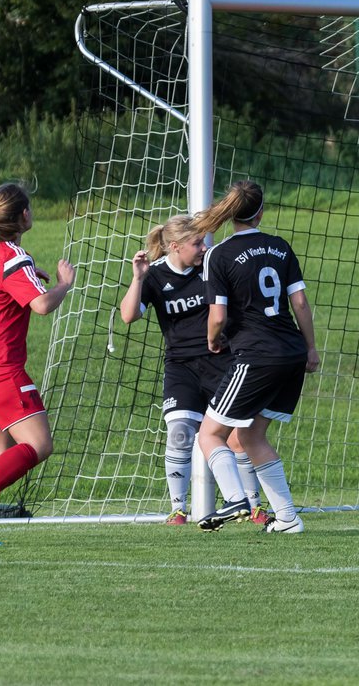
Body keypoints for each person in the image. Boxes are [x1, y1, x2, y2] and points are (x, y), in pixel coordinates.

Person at [119, 215, 270, 526]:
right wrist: (137, 278)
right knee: (179, 433)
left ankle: (254, 506)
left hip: (223, 363)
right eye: (197, 243)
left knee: (238, 437)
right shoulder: (156, 276)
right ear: (175, 246)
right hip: (181, 367)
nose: (204, 248)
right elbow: (128, 316)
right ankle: (178, 509)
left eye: (203, 241)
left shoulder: (211, 268)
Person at [192, 180, 320, 534]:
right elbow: (300, 304)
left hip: (257, 356)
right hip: (291, 353)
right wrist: (310, 348)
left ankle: (234, 498)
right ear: (261, 212)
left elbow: (217, 316)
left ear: (231, 213)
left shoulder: (219, 254)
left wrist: (213, 341)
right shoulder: (280, 247)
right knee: (251, 437)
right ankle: (288, 519)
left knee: (210, 434)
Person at [0, 182, 76, 545]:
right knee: (38, 445)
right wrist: (64, 285)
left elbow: (1, 284)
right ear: (23, 216)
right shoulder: (13, 257)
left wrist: (31, 274)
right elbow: (41, 306)